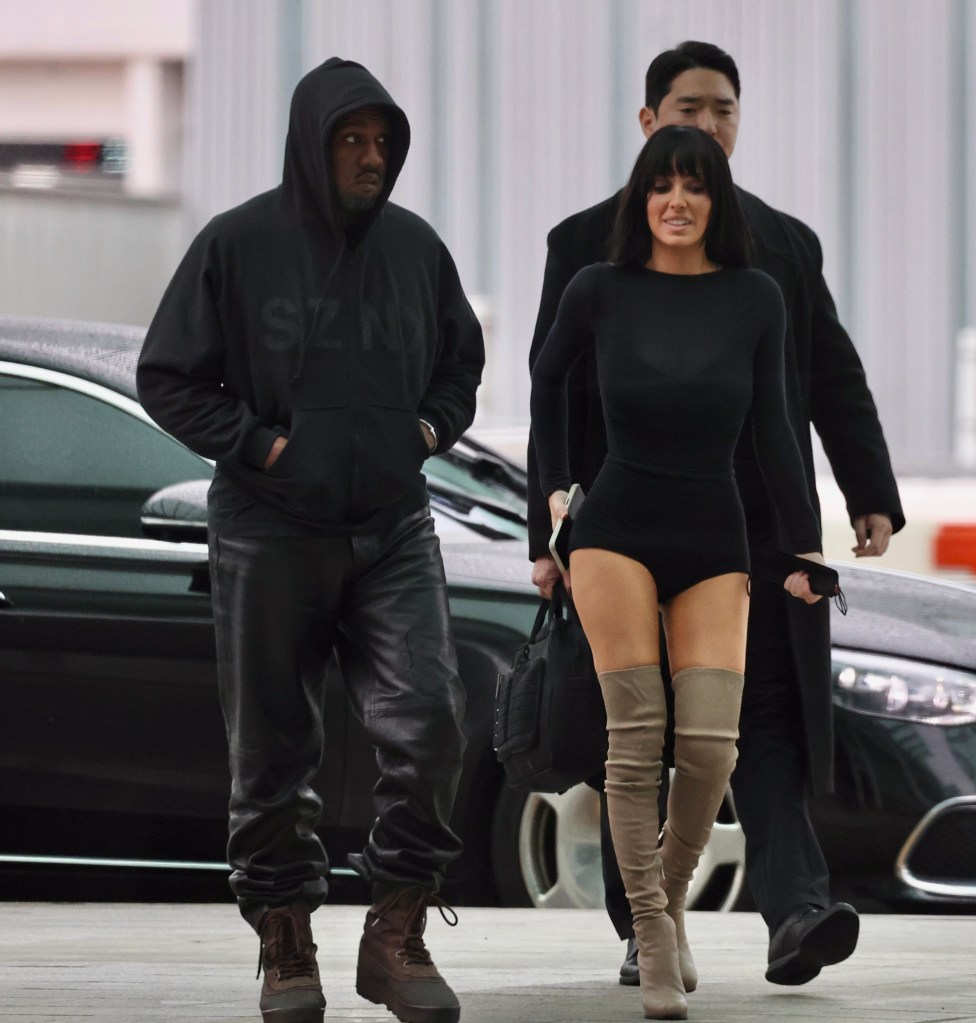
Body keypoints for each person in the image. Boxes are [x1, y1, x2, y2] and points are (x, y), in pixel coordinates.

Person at [526, 40, 904, 992]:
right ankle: (642, 926)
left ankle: (797, 912)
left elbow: (826, 376)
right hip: (623, 518)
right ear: (648, 121)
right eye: (688, 108)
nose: (709, 124)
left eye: (725, 110)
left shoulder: (780, 249)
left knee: (751, 727)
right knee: (637, 731)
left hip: (755, 525)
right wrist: (551, 527)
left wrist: (868, 491)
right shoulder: (584, 249)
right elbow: (552, 392)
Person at [137, 57, 484, 1023]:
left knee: (433, 722)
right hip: (269, 526)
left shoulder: (417, 249)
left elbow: (463, 363)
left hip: (391, 525)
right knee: (272, 749)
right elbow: (166, 376)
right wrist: (262, 445)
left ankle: (395, 932)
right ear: (311, 144)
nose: (371, 158)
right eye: (351, 141)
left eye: (382, 142)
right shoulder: (237, 244)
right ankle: (285, 940)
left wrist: (424, 430)